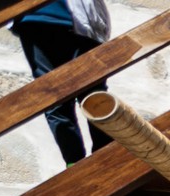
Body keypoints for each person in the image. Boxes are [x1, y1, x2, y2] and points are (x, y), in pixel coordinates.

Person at [11, 1, 113, 166]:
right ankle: (75, 167)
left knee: (94, 97)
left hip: (79, 23)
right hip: (32, 22)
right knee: (54, 102)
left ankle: (107, 161)